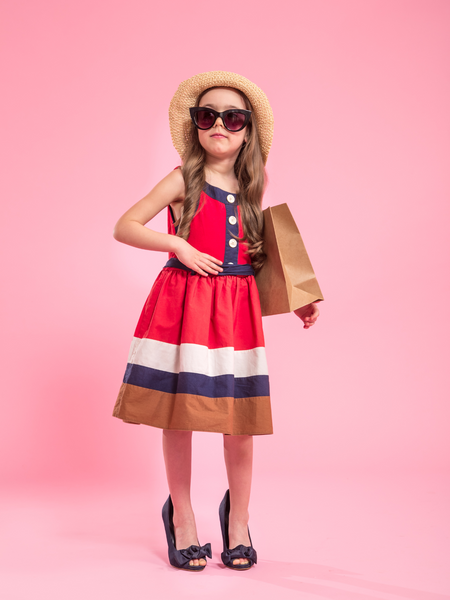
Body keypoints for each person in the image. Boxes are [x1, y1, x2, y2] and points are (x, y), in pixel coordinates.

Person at [112, 71, 320, 572]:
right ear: (195, 126)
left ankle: (238, 519)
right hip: (184, 304)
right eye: (207, 116)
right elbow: (125, 226)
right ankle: (182, 515)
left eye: (233, 118)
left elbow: (255, 252)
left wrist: (296, 297)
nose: (220, 125)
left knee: (239, 420)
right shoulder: (182, 178)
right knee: (178, 414)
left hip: (236, 311)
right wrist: (178, 244)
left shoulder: (253, 185)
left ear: (248, 131)